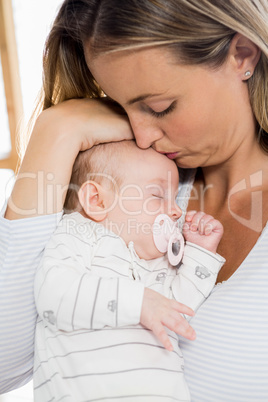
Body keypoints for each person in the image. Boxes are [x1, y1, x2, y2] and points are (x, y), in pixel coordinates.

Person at [0, 0, 267, 400]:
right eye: (120, 104)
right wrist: (58, 131)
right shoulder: (130, 183)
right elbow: (6, 366)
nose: (141, 136)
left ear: (242, 55)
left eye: (159, 107)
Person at [34, 139, 224, 401]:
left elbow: (179, 311)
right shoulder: (80, 234)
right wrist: (138, 301)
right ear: (97, 200)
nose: (177, 211)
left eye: (175, 197)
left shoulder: (159, 262)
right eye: (158, 195)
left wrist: (201, 252)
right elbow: (53, 295)